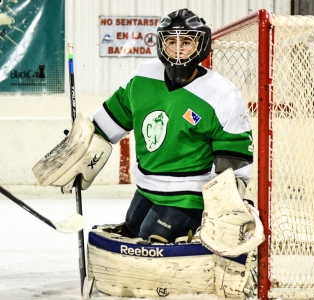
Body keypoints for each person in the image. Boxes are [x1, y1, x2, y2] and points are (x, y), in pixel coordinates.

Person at [33, 8, 253, 244]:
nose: (178, 49)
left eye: (187, 42)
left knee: (151, 242)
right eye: (171, 42)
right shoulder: (142, 77)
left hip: (190, 196)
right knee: (130, 233)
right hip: (147, 188)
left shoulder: (222, 94)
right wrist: (77, 150)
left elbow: (233, 153)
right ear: (161, 44)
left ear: (200, 45)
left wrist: (229, 202)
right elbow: (106, 125)